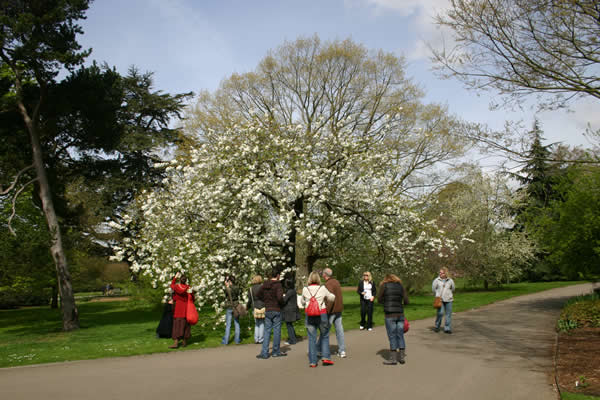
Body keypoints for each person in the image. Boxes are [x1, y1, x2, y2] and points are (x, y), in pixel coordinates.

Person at [302, 271, 336, 367]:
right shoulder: (322, 288)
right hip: (322, 314)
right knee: (324, 336)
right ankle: (326, 358)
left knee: (312, 338)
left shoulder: (305, 289)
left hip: (309, 315)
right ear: (318, 279)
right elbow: (332, 298)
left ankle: (313, 361)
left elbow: (303, 301)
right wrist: (325, 299)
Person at [377, 273, 409, 365]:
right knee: (400, 335)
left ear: (386, 279)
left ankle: (393, 359)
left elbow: (379, 299)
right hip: (400, 314)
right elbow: (406, 301)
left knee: (392, 336)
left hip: (389, 314)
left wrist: (386, 302)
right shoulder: (400, 286)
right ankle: (401, 358)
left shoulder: (384, 286)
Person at [256, 268, 287, 358]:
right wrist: (282, 303)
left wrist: (266, 301)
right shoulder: (278, 285)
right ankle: (276, 351)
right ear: (277, 275)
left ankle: (264, 352)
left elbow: (258, 295)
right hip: (276, 309)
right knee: (277, 331)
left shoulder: (265, 285)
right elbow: (279, 297)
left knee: (267, 331)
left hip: (268, 309)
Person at [317, 267, 346, 358]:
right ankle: (342, 350)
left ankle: (318, 349)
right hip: (338, 309)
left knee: (324, 330)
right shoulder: (336, 282)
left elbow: (330, 300)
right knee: (339, 330)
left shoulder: (328, 284)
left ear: (325, 275)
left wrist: (326, 311)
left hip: (332, 311)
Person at [170, 272, 192, 348]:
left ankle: (176, 342)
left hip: (178, 307)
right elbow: (192, 298)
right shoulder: (188, 288)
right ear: (186, 281)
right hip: (185, 308)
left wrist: (175, 277)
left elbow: (171, 285)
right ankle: (184, 341)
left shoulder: (176, 287)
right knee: (185, 324)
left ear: (180, 280)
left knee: (177, 325)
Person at [432, 267, 456, 334]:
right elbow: (433, 289)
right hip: (440, 299)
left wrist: (449, 294)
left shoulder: (450, 280)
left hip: (449, 299)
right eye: (440, 272)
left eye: (442, 273)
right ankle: (437, 326)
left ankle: (447, 328)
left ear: (445, 273)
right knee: (440, 313)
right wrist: (437, 294)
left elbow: (453, 288)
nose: (440, 274)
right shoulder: (436, 280)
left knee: (448, 314)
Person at [222, 275, 241, 345]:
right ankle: (237, 340)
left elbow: (225, 294)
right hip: (236, 306)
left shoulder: (228, 288)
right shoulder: (237, 288)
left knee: (228, 325)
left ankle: (226, 341)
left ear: (229, 281)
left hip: (229, 307)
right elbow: (238, 294)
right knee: (237, 323)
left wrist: (226, 285)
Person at [282, 272, 300, 345]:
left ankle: (292, 340)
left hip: (289, 310)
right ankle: (293, 337)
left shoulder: (289, 292)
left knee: (289, 325)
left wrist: (282, 297)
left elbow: (284, 300)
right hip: (292, 309)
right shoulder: (293, 291)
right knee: (290, 325)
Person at [247, 275, 266, 344]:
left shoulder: (250, 289)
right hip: (262, 306)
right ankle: (261, 339)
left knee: (257, 323)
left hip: (254, 307)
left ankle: (256, 338)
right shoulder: (263, 287)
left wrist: (247, 307)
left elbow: (249, 300)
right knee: (261, 323)